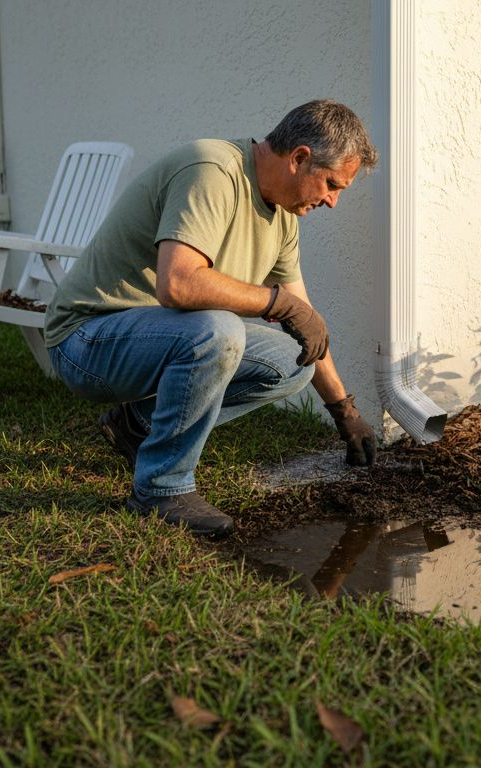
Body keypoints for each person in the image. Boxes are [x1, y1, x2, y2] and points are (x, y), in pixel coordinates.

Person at [43, 100, 380, 538]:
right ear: (299, 158)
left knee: (295, 362)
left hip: (154, 341)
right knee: (216, 330)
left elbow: (302, 319)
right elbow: (179, 285)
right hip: (87, 340)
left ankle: (137, 426)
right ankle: (162, 489)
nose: (332, 201)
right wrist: (278, 304)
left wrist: (343, 410)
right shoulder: (212, 172)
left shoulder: (283, 217)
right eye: (332, 184)